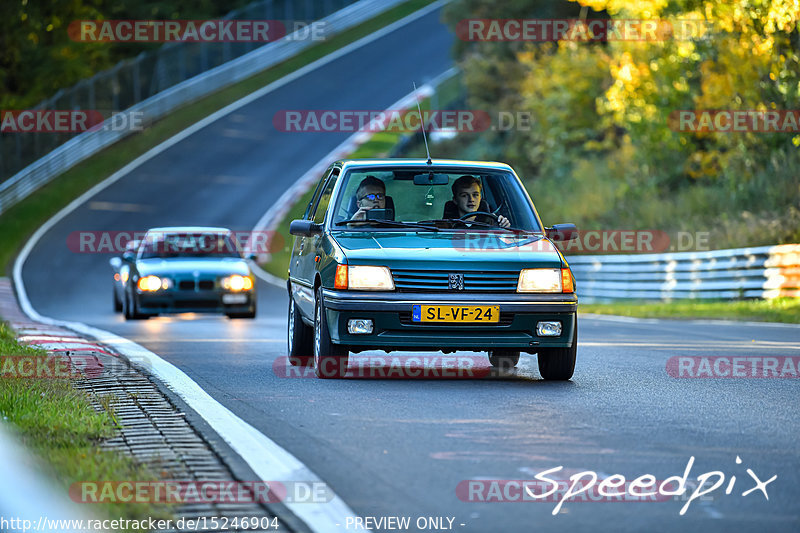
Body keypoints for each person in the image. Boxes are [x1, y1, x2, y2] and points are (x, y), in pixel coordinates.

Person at [446, 175, 510, 227]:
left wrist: (504, 226)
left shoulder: (493, 223)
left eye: (475, 195)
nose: (471, 200)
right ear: (455, 200)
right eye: (464, 195)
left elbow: (508, 241)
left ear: (480, 198)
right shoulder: (444, 227)